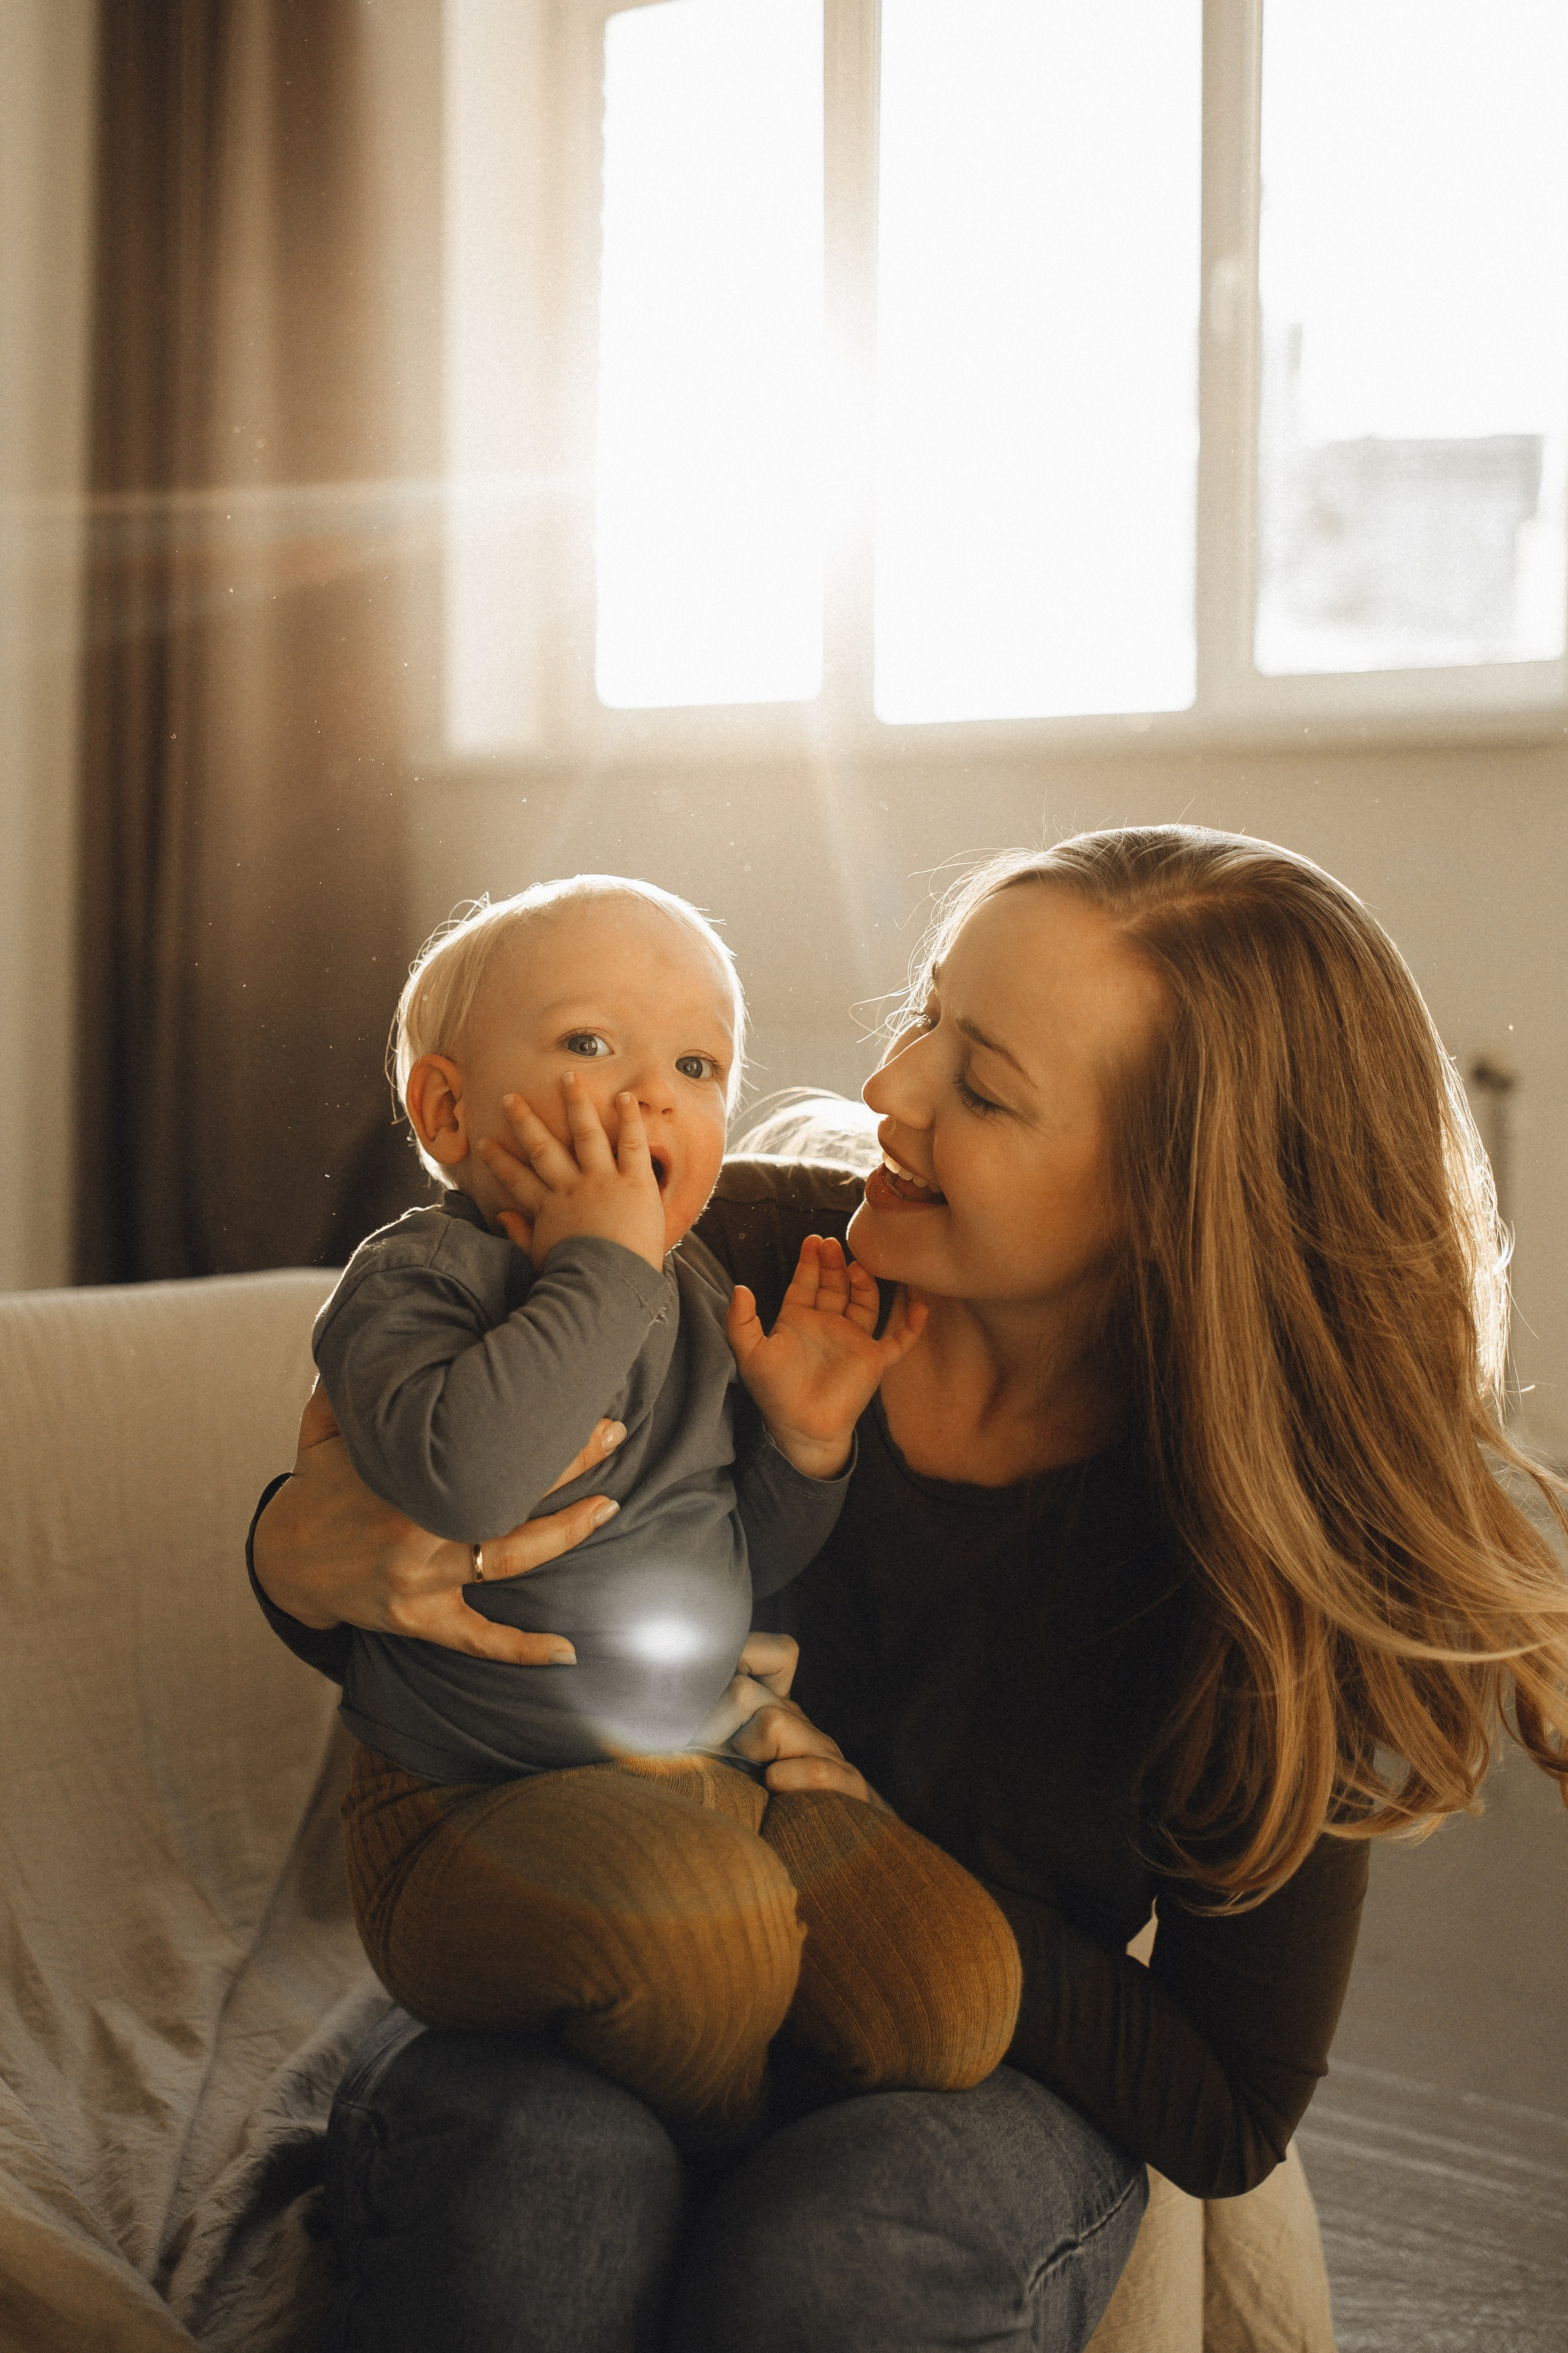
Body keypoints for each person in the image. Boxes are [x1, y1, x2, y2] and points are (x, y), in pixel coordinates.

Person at [251, 826, 1568, 2353]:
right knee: (536, 2199)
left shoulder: (1274, 1561)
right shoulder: (719, 1252)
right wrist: (295, 1548)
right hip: (594, 1968)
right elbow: (427, 1538)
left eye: (984, 1085)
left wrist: (895, 1869)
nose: (887, 1092)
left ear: (1168, 1199)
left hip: (959, 2072)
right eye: (926, 1016)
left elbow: (1221, 2110)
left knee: (843, 2255)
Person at [312, 873, 1016, 2144]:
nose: (649, 1092)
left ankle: (720, 2047)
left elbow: (724, 1566)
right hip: (465, 1803)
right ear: (449, 1106)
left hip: (705, 1764)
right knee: (706, 1929)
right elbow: (467, 1479)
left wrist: (802, 1442)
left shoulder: (686, 1291)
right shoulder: (416, 1281)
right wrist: (599, 1264)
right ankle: (717, 2142)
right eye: (591, 1044)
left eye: (695, 1064)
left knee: (953, 1987)